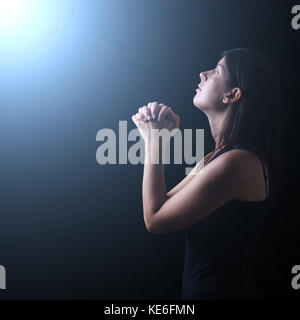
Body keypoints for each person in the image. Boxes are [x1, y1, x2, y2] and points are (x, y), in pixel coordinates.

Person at [132, 48, 282, 299]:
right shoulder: (219, 157)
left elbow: (155, 220)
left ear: (232, 95)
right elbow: (162, 204)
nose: (203, 74)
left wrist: (153, 141)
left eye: (217, 70)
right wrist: (160, 136)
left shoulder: (236, 163)